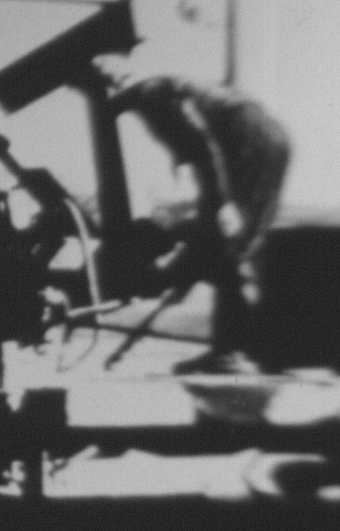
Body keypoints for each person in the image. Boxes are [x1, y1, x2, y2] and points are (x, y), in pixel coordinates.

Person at [107, 73, 291, 374]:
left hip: (247, 140)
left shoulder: (152, 94)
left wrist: (222, 201)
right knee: (234, 243)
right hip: (269, 139)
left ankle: (232, 352)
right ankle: (237, 350)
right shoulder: (171, 91)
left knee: (227, 242)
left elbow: (202, 143)